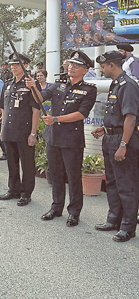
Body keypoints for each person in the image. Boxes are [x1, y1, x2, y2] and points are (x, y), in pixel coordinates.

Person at [26, 50, 97, 227]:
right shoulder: (58, 85)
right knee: (56, 175)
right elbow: (40, 98)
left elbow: (81, 114)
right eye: (70, 64)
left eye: (76, 66)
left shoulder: (89, 89)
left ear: (85, 70)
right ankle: (56, 208)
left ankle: (74, 212)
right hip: (54, 138)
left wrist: (55, 119)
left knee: (73, 177)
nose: (71, 67)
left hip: (72, 140)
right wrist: (33, 87)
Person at [92, 51, 139, 242]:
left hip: (123, 140)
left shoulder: (128, 85)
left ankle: (128, 227)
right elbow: (117, 115)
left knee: (126, 185)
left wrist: (123, 145)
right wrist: (104, 128)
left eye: (103, 66)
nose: (101, 70)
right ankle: (114, 220)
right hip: (111, 139)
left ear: (112, 65)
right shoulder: (115, 84)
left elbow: (131, 117)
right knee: (111, 182)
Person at [0, 53, 40, 205]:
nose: (13, 67)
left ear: (26, 66)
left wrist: (33, 133)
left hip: (24, 131)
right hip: (9, 130)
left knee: (27, 163)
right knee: (11, 162)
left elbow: (36, 109)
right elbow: (3, 107)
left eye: (17, 64)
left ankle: (26, 193)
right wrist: (2, 128)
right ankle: (13, 189)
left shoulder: (31, 84)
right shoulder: (8, 84)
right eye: (12, 64)